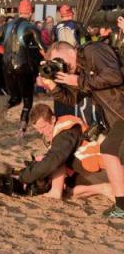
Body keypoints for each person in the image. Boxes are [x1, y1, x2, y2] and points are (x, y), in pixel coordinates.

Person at [41, 40, 124, 220]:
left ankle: (122, 206)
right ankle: (121, 205)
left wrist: (78, 80)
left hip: (122, 113)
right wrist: (53, 85)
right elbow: (72, 99)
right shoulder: (80, 69)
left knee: (110, 149)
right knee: (111, 149)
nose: (59, 66)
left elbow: (114, 76)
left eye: (58, 61)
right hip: (118, 117)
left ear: (69, 52)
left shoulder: (93, 50)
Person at [18, 103, 112, 201]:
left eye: (43, 127)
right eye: (38, 129)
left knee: (67, 186)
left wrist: (24, 177)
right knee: (55, 164)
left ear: (53, 119)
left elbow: (54, 159)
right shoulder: (64, 124)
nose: (41, 132)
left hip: (104, 169)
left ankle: (103, 188)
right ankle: (103, 188)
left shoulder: (65, 133)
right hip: (100, 165)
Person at [0, 0, 44, 132]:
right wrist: (49, 59)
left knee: (15, 97)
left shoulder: (7, 26)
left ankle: (5, 107)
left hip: (7, 64)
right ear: (31, 12)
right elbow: (42, 49)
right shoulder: (31, 27)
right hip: (23, 65)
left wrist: (7, 53)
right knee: (27, 99)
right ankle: (22, 129)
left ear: (18, 11)